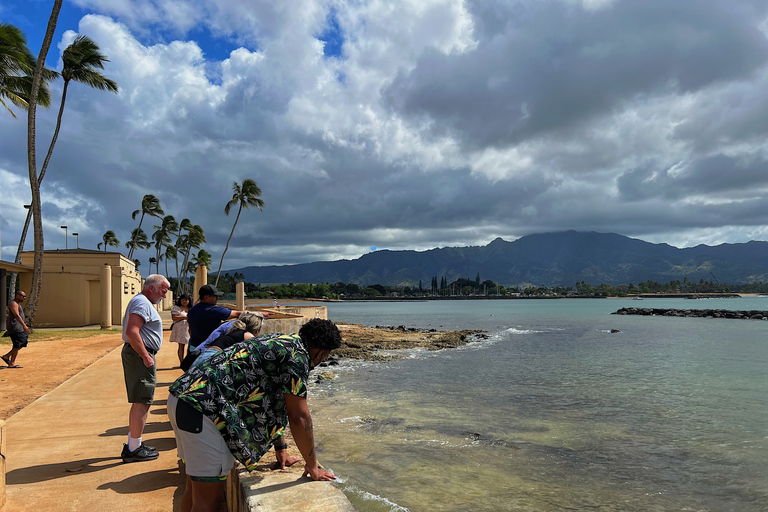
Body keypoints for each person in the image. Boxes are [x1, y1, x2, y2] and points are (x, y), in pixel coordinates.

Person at [168, 318, 343, 512]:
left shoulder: (283, 341)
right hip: (205, 412)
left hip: (183, 397)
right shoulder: (298, 358)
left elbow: (275, 403)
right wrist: (313, 466)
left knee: (194, 491)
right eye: (325, 356)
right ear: (321, 352)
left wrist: (281, 448)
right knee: (207, 502)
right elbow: (299, 417)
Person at [120, 274, 170, 463]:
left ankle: (135, 444)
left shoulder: (142, 302)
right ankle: (134, 448)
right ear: (152, 288)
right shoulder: (142, 303)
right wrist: (146, 356)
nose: (164, 295)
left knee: (142, 400)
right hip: (139, 355)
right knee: (142, 400)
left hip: (139, 354)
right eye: (163, 291)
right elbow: (132, 331)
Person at [190, 311, 266, 369]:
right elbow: (259, 353)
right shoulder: (247, 335)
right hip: (212, 359)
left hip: (203, 357)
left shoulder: (233, 331)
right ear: (257, 329)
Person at [186, 284, 242, 351]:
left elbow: (190, 330)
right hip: (207, 348)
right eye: (215, 296)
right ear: (206, 297)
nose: (217, 298)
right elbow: (237, 314)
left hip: (193, 346)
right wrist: (255, 314)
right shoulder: (212, 310)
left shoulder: (192, 310)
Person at [2, 290, 30, 368]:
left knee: (21, 343)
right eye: (23, 296)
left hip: (18, 328)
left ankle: (7, 357)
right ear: (18, 296)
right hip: (15, 328)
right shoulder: (13, 304)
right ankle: (11, 363)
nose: (24, 298)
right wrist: (24, 326)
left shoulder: (17, 304)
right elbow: (17, 316)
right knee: (18, 344)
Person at [170, 294, 192, 366]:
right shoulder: (176, 308)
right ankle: (182, 362)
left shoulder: (191, 309)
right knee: (181, 345)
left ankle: (189, 361)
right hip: (180, 329)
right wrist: (185, 317)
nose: (184, 301)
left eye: (186, 300)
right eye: (183, 299)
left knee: (190, 345)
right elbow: (174, 318)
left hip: (189, 328)